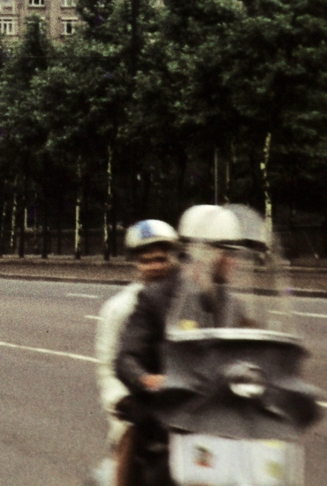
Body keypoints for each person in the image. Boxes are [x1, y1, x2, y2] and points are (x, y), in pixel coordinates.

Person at [115, 205, 243, 486]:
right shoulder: (155, 297)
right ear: (203, 251)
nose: (233, 261)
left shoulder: (233, 303)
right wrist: (147, 379)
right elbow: (126, 357)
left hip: (219, 414)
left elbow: (253, 352)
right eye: (227, 252)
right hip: (167, 415)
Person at [93, 220, 180, 486]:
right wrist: (120, 401)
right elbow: (109, 363)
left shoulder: (186, 299)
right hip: (137, 402)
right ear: (136, 263)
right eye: (146, 260)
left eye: (160, 259)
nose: (153, 266)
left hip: (182, 401)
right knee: (131, 436)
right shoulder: (119, 307)